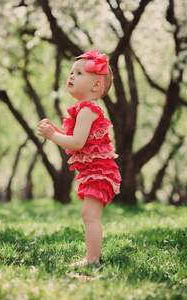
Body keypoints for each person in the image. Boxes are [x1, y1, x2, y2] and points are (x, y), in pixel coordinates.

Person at [37, 49, 121, 266]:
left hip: (99, 172)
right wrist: (54, 130)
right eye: (72, 72)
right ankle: (92, 257)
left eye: (79, 73)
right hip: (95, 171)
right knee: (88, 214)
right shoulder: (83, 110)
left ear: (95, 86)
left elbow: (76, 143)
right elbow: (75, 139)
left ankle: (92, 260)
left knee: (89, 215)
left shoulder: (87, 111)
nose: (72, 76)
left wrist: (52, 135)